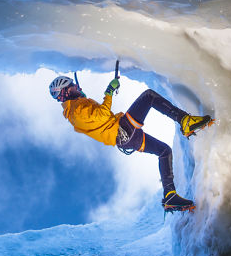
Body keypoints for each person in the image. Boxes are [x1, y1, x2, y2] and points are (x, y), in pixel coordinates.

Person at [48, 74, 213, 212]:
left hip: (124, 139)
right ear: (67, 91)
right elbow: (103, 115)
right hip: (122, 130)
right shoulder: (76, 111)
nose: (78, 87)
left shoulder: (77, 109)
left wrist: (86, 99)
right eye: (73, 86)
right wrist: (109, 91)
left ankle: (170, 195)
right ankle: (185, 121)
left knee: (164, 151)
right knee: (148, 96)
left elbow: (96, 117)